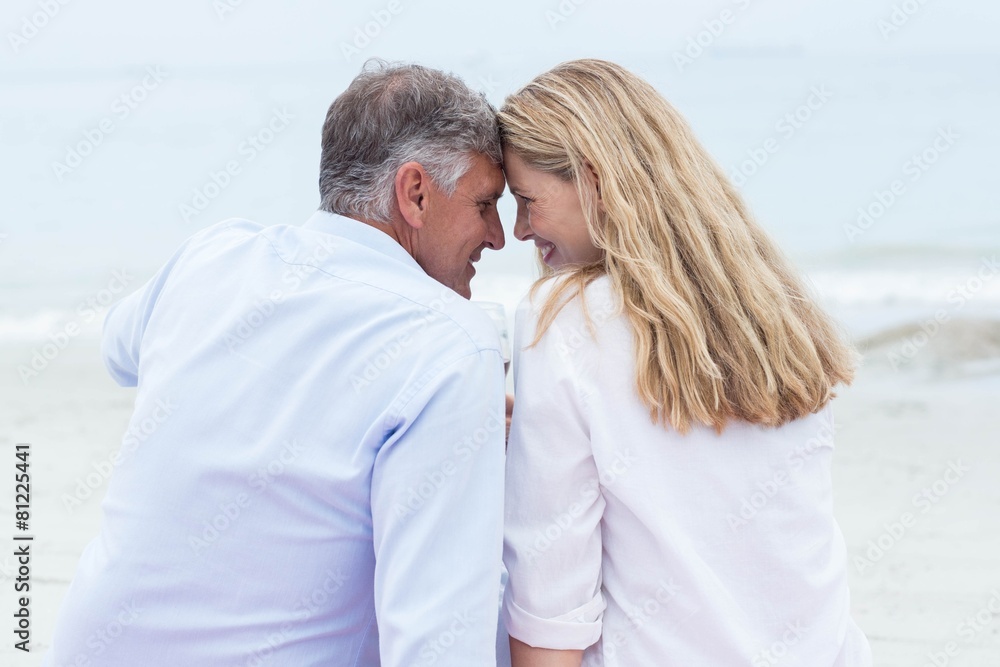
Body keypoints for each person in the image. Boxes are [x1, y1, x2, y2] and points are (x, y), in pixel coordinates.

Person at [43, 61, 509, 666]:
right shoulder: (449, 344)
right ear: (414, 193)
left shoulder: (213, 258)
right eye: (485, 204)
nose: (499, 237)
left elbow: (118, 348)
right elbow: (437, 645)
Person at [498, 59, 873, 666]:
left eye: (526, 201)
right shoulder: (777, 309)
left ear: (593, 181)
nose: (518, 230)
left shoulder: (565, 319)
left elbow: (551, 604)